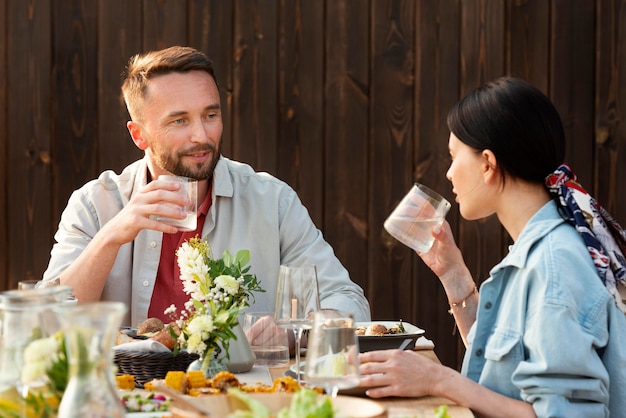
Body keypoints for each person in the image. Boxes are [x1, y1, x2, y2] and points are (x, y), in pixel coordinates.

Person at [42, 46, 371, 328]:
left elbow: (348, 301)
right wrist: (113, 235)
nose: (201, 135)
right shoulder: (94, 203)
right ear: (138, 134)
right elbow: (46, 324)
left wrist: (290, 331)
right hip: (126, 395)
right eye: (179, 121)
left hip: (240, 394)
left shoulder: (272, 202)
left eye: (210, 115)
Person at [358, 77, 626, 417]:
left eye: (454, 156)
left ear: (487, 163)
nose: (449, 173)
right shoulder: (535, 248)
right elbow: (504, 372)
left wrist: (439, 380)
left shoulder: (555, 263)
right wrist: (453, 274)